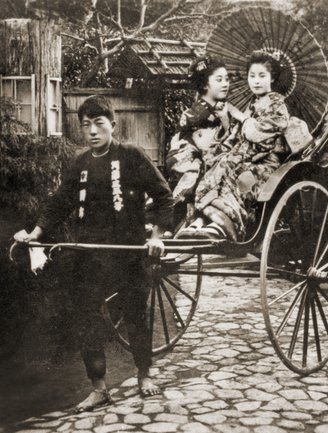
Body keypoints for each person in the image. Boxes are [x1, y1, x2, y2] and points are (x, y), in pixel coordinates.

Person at [13, 95, 174, 411]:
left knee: (135, 315)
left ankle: (145, 374)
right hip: (90, 255)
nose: (92, 131)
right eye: (85, 125)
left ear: (113, 125)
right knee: (85, 316)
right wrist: (36, 234)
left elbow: (164, 198)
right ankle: (99, 387)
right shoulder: (81, 164)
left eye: (99, 123)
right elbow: (58, 204)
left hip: (128, 252)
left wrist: (157, 236)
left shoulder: (131, 156)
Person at [193, 50, 312, 241]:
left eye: (262, 76)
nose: (256, 81)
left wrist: (243, 119)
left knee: (235, 175)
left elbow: (261, 137)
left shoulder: (277, 104)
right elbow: (236, 136)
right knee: (212, 169)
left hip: (267, 163)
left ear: (272, 78)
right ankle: (205, 221)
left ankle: (226, 223)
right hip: (246, 156)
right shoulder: (252, 103)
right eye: (252, 76)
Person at [166, 55, 239, 235]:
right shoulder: (195, 113)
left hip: (214, 158)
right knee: (194, 180)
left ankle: (207, 222)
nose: (225, 84)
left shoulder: (226, 110)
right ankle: (175, 226)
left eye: (227, 79)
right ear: (205, 85)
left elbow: (230, 139)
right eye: (219, 79)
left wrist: (225, 121)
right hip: (190, 157)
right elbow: (195, 143)